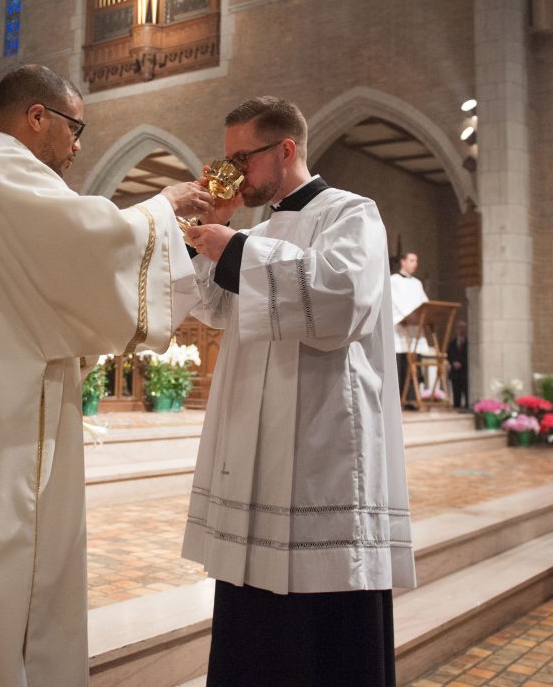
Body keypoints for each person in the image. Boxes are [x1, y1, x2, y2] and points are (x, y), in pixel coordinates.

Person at [0, 65, 208, 687]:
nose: (77, 146)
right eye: (75, 129)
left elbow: (45, 281)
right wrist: (166, 206)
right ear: (37, 117)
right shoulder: (1, 171)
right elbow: (85, 238)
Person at [181, 96, 415, 687]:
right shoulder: (258, 230)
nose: (232, 172)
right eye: (227, 160)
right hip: (255, 452)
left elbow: (340, 298)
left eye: (243, 158)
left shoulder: (352, 213)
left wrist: (233, 248)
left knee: (326, 642)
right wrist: (209, 235)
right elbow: (213, 307)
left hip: (321, 449)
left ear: (285, 149)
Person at [390, 251, 429, 403]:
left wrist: (421, 315)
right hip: (401, 328)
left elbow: (425, 303)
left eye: (416, 261)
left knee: (415, 363)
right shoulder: (393, 281)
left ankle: (412, 398)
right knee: (401, 363)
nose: (415, 264)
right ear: (403, 262)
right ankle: (399, 399)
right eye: (412, 260)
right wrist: (407, 315)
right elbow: (393, 302)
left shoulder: (417, 283)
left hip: (415, 329)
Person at [447, 319, 468, 408]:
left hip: (465, 373)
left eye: (463, 328)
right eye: (459, 328)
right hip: (455, 374)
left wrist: (461, 364)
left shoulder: (469, 343)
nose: (461, 330)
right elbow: (449, 355)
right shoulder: (452, 343)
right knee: (456, 396)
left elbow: (470, 356)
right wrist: (453, 363)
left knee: (467, 395)